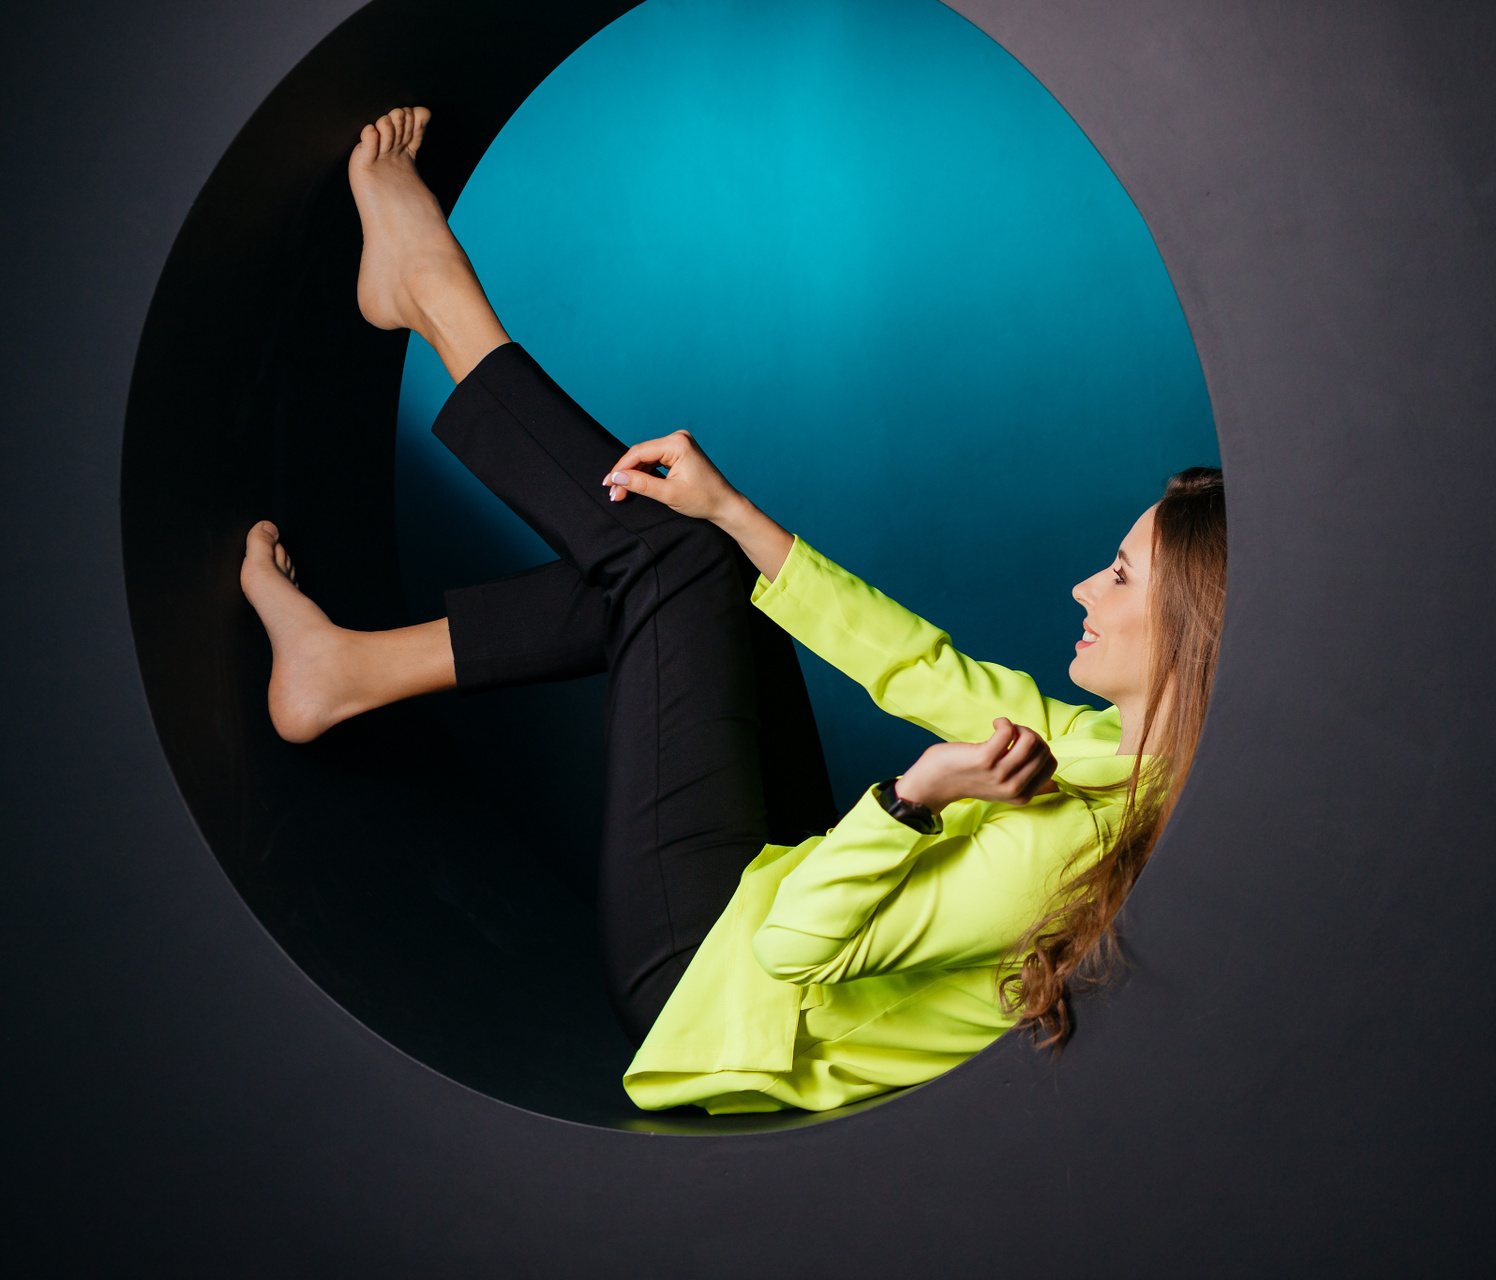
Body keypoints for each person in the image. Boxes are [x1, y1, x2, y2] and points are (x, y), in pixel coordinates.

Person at [240, 107, 1227, 1114]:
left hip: (709, 988)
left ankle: (432, 295)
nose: (1082, 589)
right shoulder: (1110, 758)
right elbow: (923, 667)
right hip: (770, 922)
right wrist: (735, 512)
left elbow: (791, 946)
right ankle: (348, 668)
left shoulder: (1064, 849)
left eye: (1118, 576)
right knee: (708, 559)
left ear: (1191, 632)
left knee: (666, 557)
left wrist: (914, 797)